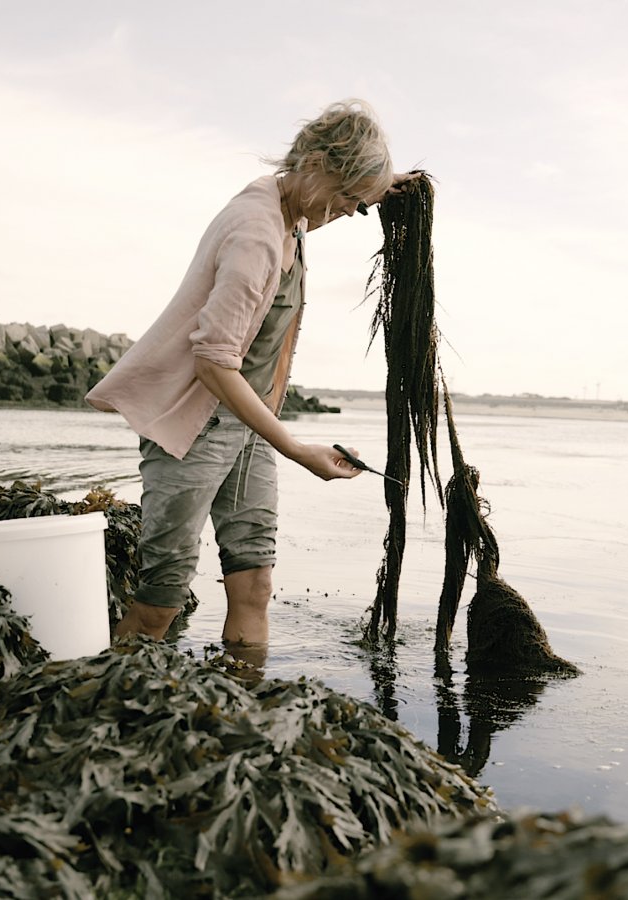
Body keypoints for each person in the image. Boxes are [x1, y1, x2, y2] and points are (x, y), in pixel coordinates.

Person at [86, 99, 405, 652]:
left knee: (254, 584)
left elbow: (319, 199)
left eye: (361, 202)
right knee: (162, 594)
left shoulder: (292, 206)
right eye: (350, 197)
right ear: (321, 163)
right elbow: (213, 361)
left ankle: (246, 713)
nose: (350, 212)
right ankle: (117, 707)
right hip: (198, 429)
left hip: (246, 425)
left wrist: (384, 182)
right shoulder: (257, 231)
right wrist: (295, 448)